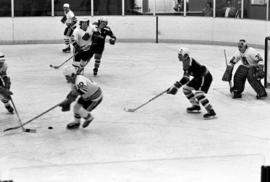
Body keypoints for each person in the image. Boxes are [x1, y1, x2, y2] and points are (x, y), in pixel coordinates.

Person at [167, 47, 216, 119]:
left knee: (198, 94)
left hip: (205, 77)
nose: (178, 56)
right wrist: (176, 86)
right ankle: (196, 106)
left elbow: (185, 79)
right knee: (186, 89)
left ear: (186, 55)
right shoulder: (186, 61)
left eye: (180, 55)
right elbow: (185, 77)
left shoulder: (188, 62)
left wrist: (175, 86)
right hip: (198, 77)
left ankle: (211, 112)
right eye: (178, 55)